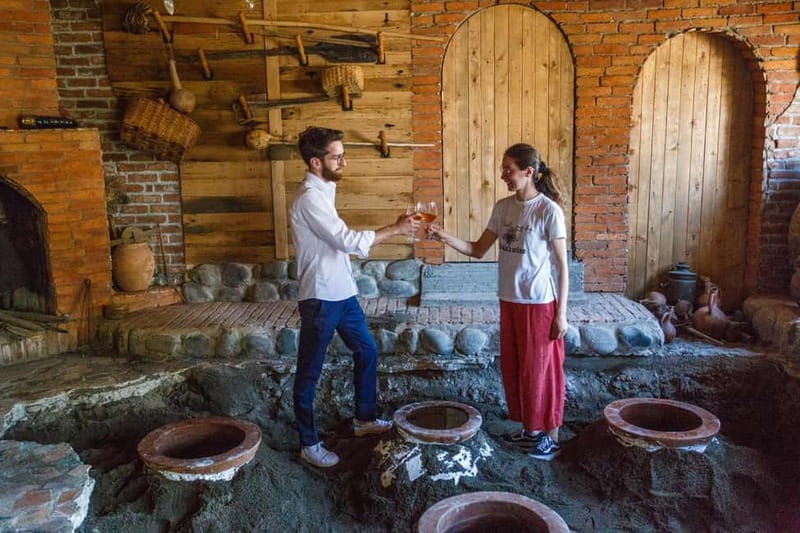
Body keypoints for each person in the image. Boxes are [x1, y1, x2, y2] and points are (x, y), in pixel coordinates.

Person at [290, 126, 421, 468]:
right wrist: (395, 229)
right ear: (317, 162)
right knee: (309, 373)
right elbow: (346, 240)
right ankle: (309, 443)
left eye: (343, 154)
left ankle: (364, 419)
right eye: (337, 156)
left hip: (343, 293)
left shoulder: (325, 191)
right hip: (320, 297)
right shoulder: (309, 199)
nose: (343, 162)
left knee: (366, 349)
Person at [428, 143, 568, 460]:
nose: (503, 174)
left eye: (508, 169)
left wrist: (562, 314)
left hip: (540, 304)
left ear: (528, 171)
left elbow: (562, 267)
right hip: (509, 300)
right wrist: (443, 236)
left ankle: (550, 438)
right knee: (517, 369)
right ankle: (530, 432)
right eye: (503, 168)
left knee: (542, 371)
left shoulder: (549, 211)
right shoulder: (503, 208)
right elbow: (478, 249)